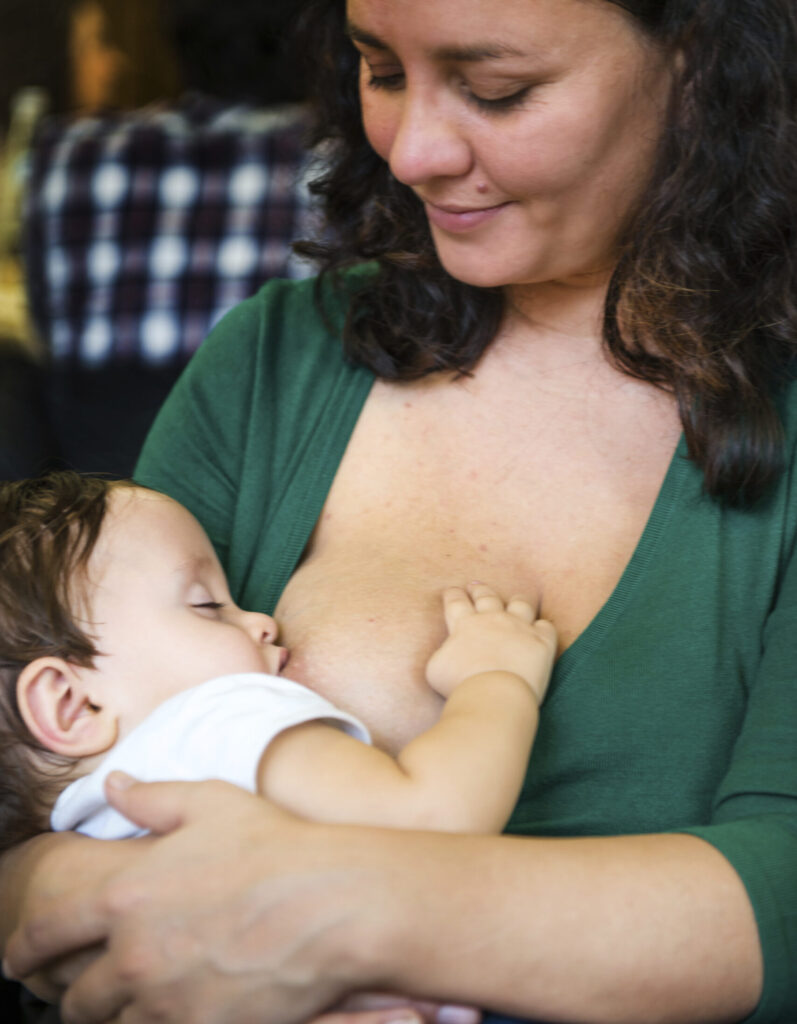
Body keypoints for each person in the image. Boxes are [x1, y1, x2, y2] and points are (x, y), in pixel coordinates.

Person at [2, 0, 797, 1023]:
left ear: (699, 65)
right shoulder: (275, 361)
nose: (412, 150)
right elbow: (45, 746)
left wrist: (345, 915)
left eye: (494, 89)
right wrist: (48, 883)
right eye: (379, 70)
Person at [0, 471, 553, 849]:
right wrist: (495, 678)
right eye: (207, 605)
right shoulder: (215, 727)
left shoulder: (78, 827)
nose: (262, 621)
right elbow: (433, 818)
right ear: (71, 703)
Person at [22, 0, 316, 477]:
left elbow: (44, 321)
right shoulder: (335, 161)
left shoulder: (70, 149)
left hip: (93, 486)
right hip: (263, 481)